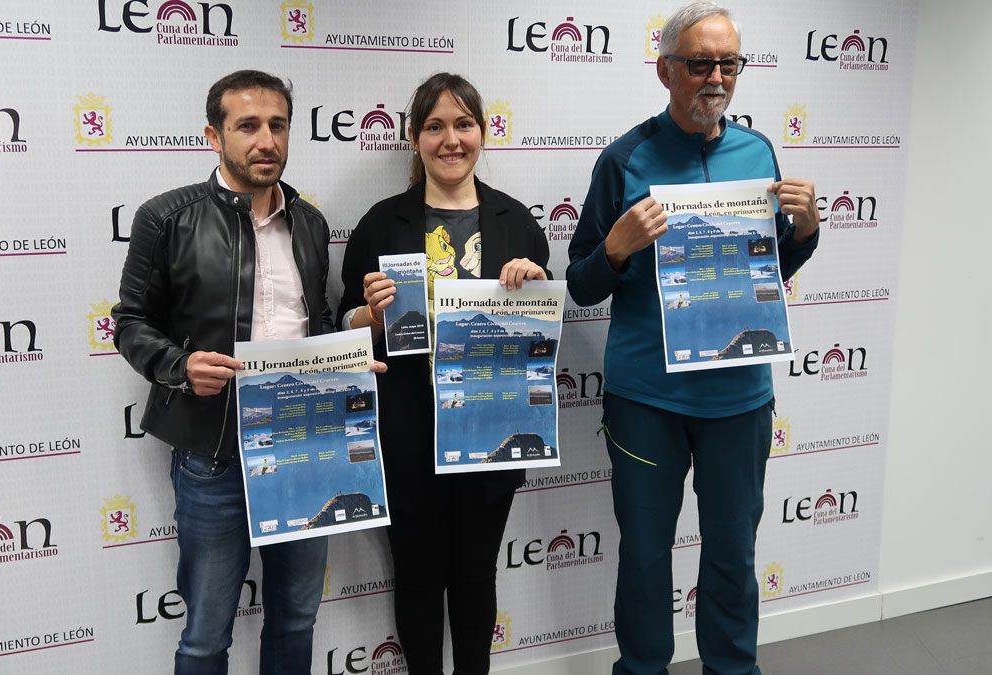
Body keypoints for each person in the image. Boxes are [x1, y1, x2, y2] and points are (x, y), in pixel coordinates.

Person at [566, 3, 820, 674]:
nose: (715, 77)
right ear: (665, 70)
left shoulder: (758, 151)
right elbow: (582, 283)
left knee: (733, 554)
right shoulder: (625, 158)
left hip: (739, 396)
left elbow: (768, 272)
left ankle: (732, 668)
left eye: (727, 63)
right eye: (699, 63)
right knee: (647, 555)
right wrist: (615, 249)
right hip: (647, 397)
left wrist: (807, 230)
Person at [112, 69, 336, 675]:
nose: (266, 140)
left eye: (278, 125)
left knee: (296, 618)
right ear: (214, 135)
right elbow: (129, 323)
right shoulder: (167, 218)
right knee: (206, 634)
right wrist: (179, 366)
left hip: (303, 444)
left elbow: (314, 325)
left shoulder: (310, 224)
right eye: (248, 126)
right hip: (213, 452)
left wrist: (350, 348)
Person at [338, 72, 550, 675]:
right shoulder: (383, 224)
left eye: (463, 124)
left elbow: (544, 333)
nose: (450, 140)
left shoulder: (516, 222)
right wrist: (369, 315)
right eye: (435, 126)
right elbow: (344, 327)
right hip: (408, 430)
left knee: (477, 577)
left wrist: (535, 290)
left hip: (495, 427)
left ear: (482, 133)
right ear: (414, 138)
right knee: (419, 578)